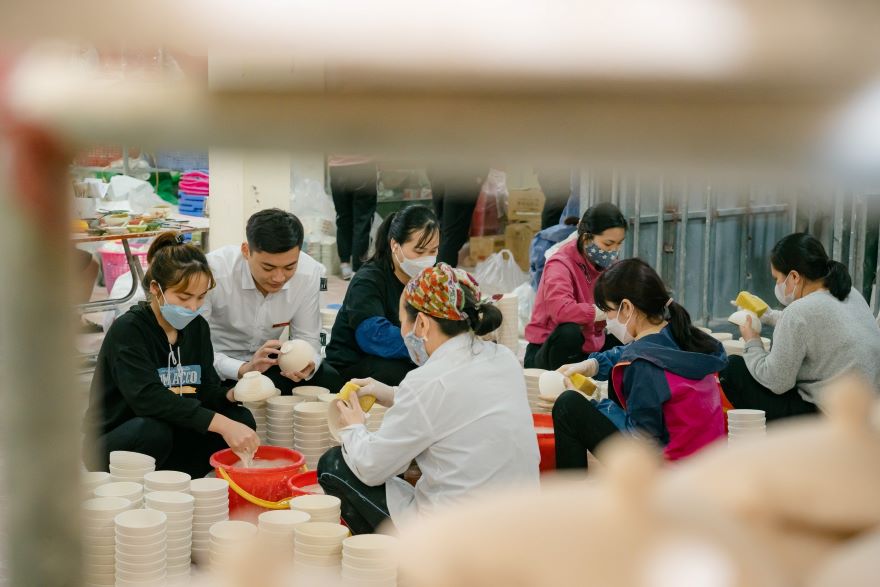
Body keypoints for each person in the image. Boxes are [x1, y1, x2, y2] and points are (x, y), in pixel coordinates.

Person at [318, 264, 540, 533]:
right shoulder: (502, 357)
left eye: (402, 322)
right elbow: (452, 404)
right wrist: (387, 393)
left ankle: (402, 561)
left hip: (457, 536)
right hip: (521, 523)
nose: (402, 330)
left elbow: (372, 467)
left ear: (421, 323)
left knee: (335, 463)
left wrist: (354, 427)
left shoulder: (427, 381)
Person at [83, 232, 259, 477]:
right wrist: (221, 424)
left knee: (241, 418)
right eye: (184, 297)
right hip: (122, 435)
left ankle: (175, 478)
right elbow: (147, 399)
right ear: (156, 288)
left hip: (172, 429)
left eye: (200, 297)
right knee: (153, 430)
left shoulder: (197, 327)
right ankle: (154, 483)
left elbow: (205, 389)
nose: (193, 307)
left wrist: (232, 393)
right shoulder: (129, 330)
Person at [552, 258, 727, 470]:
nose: (607, 321)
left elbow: (642, 442)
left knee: (568, 406)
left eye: (607, 311)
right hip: (709, 466)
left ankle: (573, 499)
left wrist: (594, 404)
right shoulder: (681, 334)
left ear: (626, 307)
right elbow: (636, 352)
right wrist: (594, 365)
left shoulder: (642, 366)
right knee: (615, 379)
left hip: (671, 475)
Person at [719, 233, 880, 420]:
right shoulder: (850, 293)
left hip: (829, 416)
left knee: (733, 368)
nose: (777, 285)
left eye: (777, 279)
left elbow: (776, 381)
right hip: (868, 409)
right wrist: (769, 316)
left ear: (794, 276)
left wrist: (752, 341)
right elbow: (815, 327)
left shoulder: (798, 312)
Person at [202, 209, 344, 395]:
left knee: (329, 381)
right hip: (216, 367)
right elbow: (193, 347)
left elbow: (309, 338)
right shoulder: (212, 271)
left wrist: (306, 365)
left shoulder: (310, 273)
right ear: (246, 251)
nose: (278, 277)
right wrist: (243, 368)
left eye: (289, 267)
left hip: (267, 366)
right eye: (268, 267)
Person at [325, 205, 439, 385]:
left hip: (402, 353)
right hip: (355, 362)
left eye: (433, 251)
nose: (427, 259)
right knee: (416, 378)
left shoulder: (428, 278)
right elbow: (373, 336)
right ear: (395, 245)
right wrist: (426, 343)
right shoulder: (368, 280)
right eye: (419, 251)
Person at [524, 202, 627, 371]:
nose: (614, 251)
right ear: (586, 238)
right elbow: (561, 311)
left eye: (619, 244)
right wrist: (601, 311)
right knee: (569, 332)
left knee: (629, 335)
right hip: (549, 351)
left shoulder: (608, 265)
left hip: (588, 348)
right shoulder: (559, 264)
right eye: (608, 244)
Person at [329, 156, 378, 280]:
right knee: (362, 220)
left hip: (337, 166)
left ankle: (345, 265)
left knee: (343, 217)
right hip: (364, 164)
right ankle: (357, 268)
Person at [428, 165, 485, 267]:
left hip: (438, 169)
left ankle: (435, 276)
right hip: (463, 173)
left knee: (444, 231)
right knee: (452, 235)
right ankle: (441, 279)